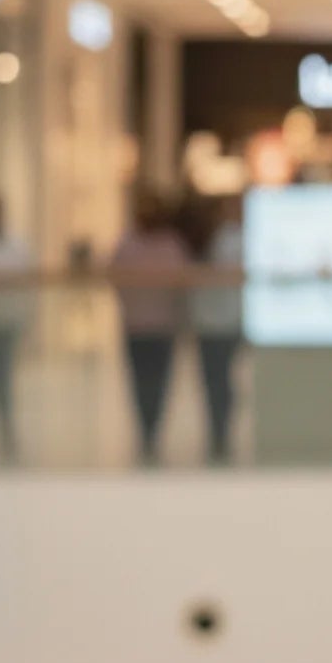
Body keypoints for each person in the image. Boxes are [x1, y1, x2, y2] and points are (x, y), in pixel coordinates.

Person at [109, 187, 191, 465]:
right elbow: (115, 277)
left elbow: (182, 283)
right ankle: (146, 431)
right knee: (141, 382)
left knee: (158, 383)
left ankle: (152, 431)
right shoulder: (130, 243)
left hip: (162, 326)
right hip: (136, 325)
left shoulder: (170, 244)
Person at [183, 193, 244, 464]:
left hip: (224, 319)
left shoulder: (233, 238)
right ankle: (218, 430)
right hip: (212, 320)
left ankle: (221, 431)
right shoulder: (206, 239)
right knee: (214, 379)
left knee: (219, 379)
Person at [0, 193, 35, 462]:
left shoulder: (16, 247)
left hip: (6, 321)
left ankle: (6, 431)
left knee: (2, 376)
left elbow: (27, 283)